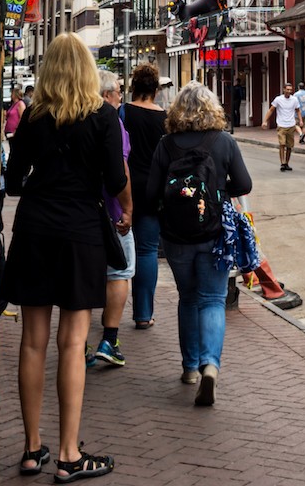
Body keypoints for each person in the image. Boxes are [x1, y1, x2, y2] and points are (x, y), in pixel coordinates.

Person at [2, 32, 131, 480]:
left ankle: (31, 449)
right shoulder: (102, 116)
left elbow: (14, 181)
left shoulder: (33, 116)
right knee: (73, 343)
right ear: (88, 72)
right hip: (80, 233)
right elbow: (116, 178)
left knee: (32, 341)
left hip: (36, 228)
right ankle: (68, 454)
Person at [146, 84, 252, 404]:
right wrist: (217, 189)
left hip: (176, 236)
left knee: (188, 298)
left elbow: (151, 195)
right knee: (213, 299)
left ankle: (190, 367)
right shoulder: (225, 142)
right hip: (214, 233)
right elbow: (245, 184)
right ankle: (211, 366)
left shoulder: (166, 145)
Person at [86, 72, 135, 369]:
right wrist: (127, 209)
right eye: (117, 91)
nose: (120, 96)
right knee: (119, 272)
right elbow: (122, 170)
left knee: (88, 273)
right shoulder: (113, 122)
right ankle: (110, 339)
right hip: (112, 211)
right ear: (106, 95)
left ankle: (78, 340)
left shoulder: (77, 118)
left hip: (82, 210)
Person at [121, 62, 166, 328]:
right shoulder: (165, 118)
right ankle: (143, 314)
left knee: (116, 250)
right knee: (147, 251)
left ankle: (109, 311)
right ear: (156, 89)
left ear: (133, 87)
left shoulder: (123, 112)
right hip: (152, 191)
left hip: (123, 188)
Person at [261, 83, 301, 171]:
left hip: (291, 125)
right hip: (281, 125)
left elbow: (298, 110)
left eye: (291, 90)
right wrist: (265, 121)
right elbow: (271, 110)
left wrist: (300, 120)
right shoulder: (278, 99)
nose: (289, 91)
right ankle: (282, 163)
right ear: (284, 90)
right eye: (287, 89)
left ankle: (287, 163)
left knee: (289, 146)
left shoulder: (294, 99)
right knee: (282, 144)